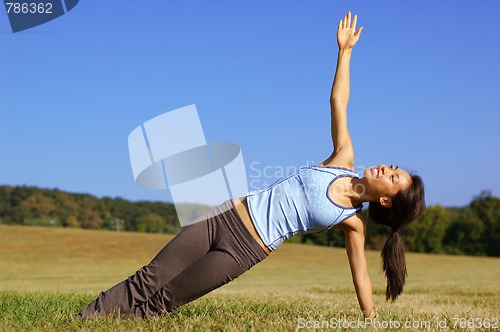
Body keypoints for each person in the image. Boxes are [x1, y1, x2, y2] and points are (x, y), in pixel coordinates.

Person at [78, 12, 425, 319]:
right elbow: (339, 100)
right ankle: (84, 321)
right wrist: (345, 52)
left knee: (163, 302)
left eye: (392, 177)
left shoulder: (352, 223)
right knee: (150, 278)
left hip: (243, 251)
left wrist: (371, 318)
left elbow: (360, 275)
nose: (384, 168)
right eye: (392, 166)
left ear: (386, 201)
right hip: (223, 216)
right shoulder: (342, 158)